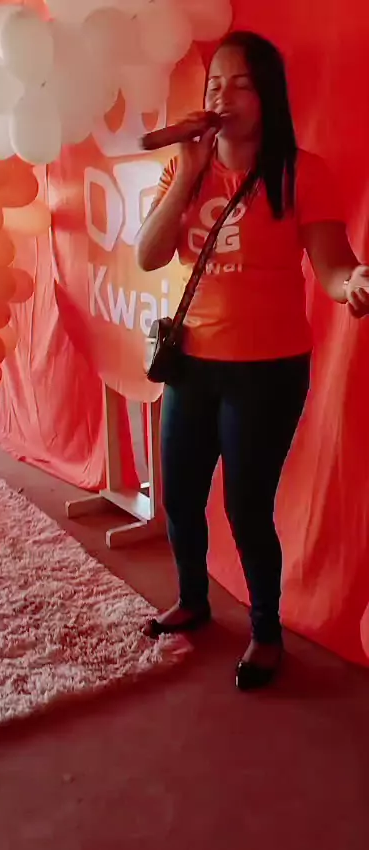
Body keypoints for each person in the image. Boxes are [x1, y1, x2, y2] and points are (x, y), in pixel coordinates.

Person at [136, 30, 369, 691]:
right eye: (215, 84)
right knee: (181, 494)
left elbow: (332, 265)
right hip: (191, 362)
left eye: (240, 84)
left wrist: (353, 283)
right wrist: (188, 171)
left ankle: (266, 631)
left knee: (246, 506)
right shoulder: (186, 171)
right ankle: (192, 599)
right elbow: (149, 255)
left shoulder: (301, 171)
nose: (223, 96)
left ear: (268, 95)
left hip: (267, 369)